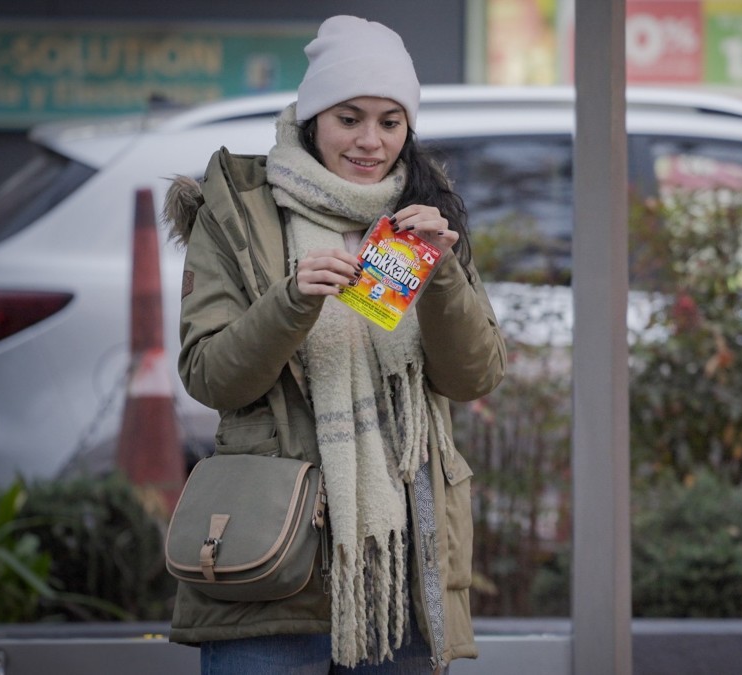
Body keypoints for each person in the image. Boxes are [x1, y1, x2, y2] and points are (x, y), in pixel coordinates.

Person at [163, 15, 506, 674]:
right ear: (313, 117)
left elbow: (475, 376)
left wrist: (439, 275)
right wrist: (291, 300)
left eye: (390, 121)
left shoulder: (422, 215)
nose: (371, 141)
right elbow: (210, 375)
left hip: (396, 575)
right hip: (269, 563)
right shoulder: (240, 212)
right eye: (350, 118)